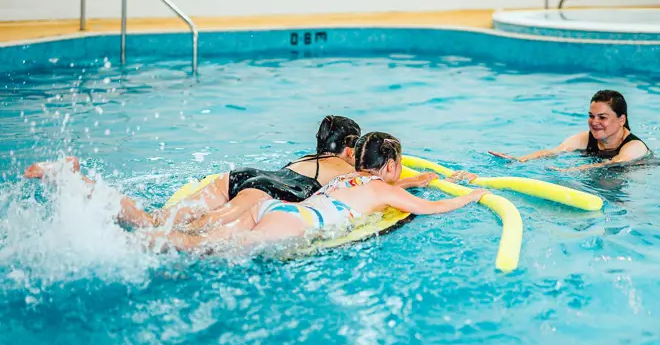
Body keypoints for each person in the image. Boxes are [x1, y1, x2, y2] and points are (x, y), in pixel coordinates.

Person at [24, 115, 437, 231]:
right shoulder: (344, 171)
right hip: (270, 191)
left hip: (242, 175)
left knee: (159, 218)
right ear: (349, 150)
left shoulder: (303, 158)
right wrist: (417, 180)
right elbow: (381, 184)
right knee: (192, 233)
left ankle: (73, 178)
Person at [145, 132, 488, 252]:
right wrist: (472, 196)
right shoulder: (384, 190)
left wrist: (412, 181)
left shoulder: (344, 180)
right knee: (206, 249)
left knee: (204, 238)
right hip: (294, 224)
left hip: (275, 208)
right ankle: (139, 245)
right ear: (391, 166)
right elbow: (433, 208)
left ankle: (144, 232)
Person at [486, 90, 650, 172]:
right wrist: (520, 160)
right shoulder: (586, 139)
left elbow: (615, 164)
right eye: (591, 116)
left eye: (602, 117)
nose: (594, 122)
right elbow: (554, 152)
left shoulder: (634, 146)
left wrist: (570, 171)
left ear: (621, 120)